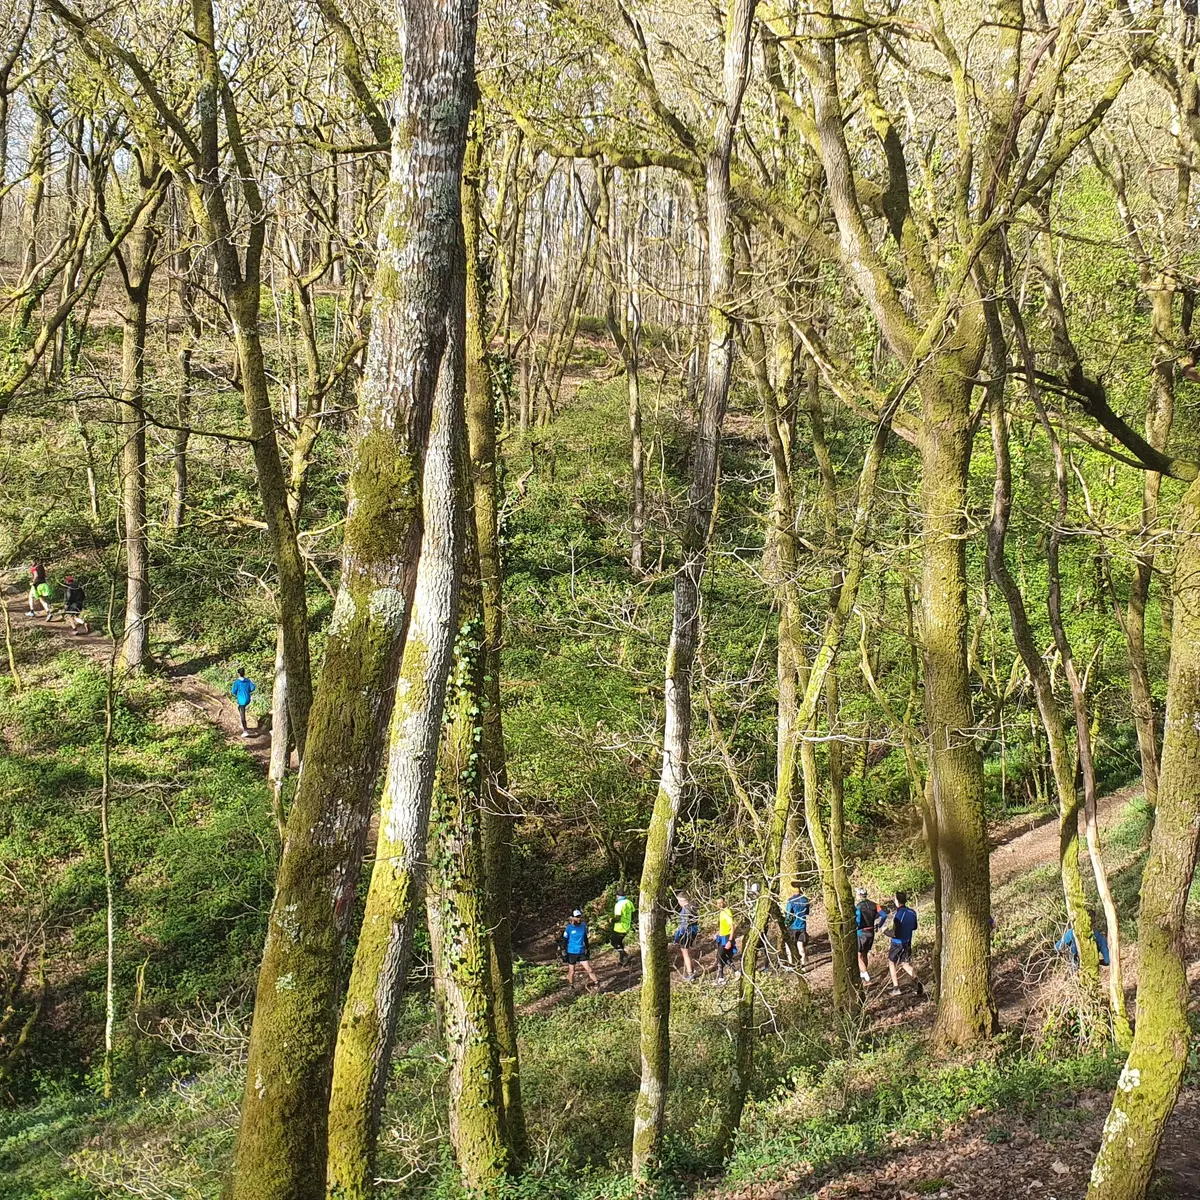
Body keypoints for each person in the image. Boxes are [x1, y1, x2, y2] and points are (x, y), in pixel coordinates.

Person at [886, 890, 924, 997]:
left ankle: (896, 988)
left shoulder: (899, 915)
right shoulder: (912, 912)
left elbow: (896, 933)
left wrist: (885, 931)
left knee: (891, 962)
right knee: (905, 964)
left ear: (897, 901)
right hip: (907, 942)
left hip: (898, 943)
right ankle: (918, 982)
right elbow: (914, 927)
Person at [560, 909, 599, 989]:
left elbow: (585, 937)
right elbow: (565, 940)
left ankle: (597, 983)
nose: (579, 919)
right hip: (572, 952)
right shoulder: (569, 928)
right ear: (572, 918)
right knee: (572, 971)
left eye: (579, 917)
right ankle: (571, 985)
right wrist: (563, 950)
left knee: (589, 969)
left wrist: (588, 948)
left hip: (581, 951)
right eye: (577, 917)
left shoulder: (583, 925)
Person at [855, 887, 881, 985]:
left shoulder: (858, 906)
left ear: (859, 895)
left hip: (861, 933)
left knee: (858, 956)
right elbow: (884, 915)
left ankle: (866, 977)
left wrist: (855, 927)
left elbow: (858, 920)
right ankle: (863, 976)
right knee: (865, 954)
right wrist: (879, 925)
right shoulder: (875, 905)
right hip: (871, 932)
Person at [673, 891, 700, 979]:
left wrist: (678, 935)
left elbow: (684, 925)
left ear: (682, 900)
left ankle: (690, 974)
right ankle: (692, 969)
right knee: (688, 951)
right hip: (693, 931)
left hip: (687, 933)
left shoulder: (685, 910)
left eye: (679, 901)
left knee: (685, 953)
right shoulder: (693, 907)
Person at [784, 881, 810, 968]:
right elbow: (807, 913)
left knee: (789, 946)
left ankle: (791, 964)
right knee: (800, 945)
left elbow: (788, 914)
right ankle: (803, 965)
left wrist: (786, 924)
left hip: (793, 926)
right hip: (802, 925)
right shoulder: (805, 900)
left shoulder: (791, 901)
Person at [714, 896, 738, 984]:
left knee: (719, 956)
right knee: (724, 956)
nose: (720, 904)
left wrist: (730, 941)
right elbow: (724, 926)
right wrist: (718, 932)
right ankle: (736, 971)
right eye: (718, 903)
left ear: (724, 902)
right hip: (722, 936)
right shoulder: (721, 912)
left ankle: (721, 978)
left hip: (727, 937)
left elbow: (732, 927)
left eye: (721, 902)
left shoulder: (727, 912)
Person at [230, 667, 257, 737]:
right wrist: (247, 691)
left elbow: (233, 691)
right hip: (247, 699)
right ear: (244, 673)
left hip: (241, 700)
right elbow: (253, 688)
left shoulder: (237, 682)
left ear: (238, 674)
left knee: (242, 715)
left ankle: (245, 730)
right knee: (240, 708)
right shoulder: (248, 680)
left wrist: (238, 693)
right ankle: (243, 725)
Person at [611, 891, 635, 966]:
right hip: (627, 926)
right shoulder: (629, 902)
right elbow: (633, 911)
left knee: (614, 942)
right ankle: (622, 960)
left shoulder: (619, 904)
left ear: (618, 896)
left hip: (619, 927)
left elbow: (618, 917)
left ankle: (625, 955)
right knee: (619, 943)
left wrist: (611, 920)